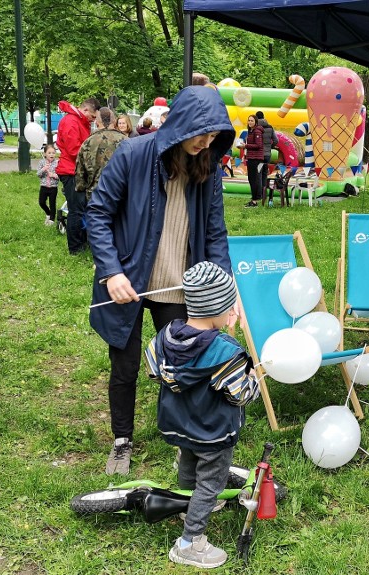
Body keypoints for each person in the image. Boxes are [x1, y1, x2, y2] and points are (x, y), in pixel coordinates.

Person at [86, 85, 237, 476]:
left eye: (212, 137)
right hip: (129, 282)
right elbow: (98, 214)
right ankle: (122, 439)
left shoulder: (209, 166)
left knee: (181, 363)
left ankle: (183, 436)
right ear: (180, 124)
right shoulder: (134, 154)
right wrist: (112, 272)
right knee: (126, 363)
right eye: (199, 134)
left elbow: (216, 234)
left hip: (177, 284)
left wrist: (224, 292)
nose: (204, 143)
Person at [145, 261, 260, 568]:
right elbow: (240, 394)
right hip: (213, 432)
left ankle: (186, 504)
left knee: (188, 461)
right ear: (218, 308)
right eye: (229, 306)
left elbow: (153, 369)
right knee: (211, 483)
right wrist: (256, 380)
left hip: (179, 425)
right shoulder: (225, 351)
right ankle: (189, 543)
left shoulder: (167, 334)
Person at [56, 97, 99, 254]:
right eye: (93, 116)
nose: (93, 120)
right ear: (86, 110)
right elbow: (75, 150)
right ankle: (75, 248)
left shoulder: (78, 121)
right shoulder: (71, 122)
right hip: (70, 171)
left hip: (76, 170)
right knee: (76, 210)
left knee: (81, 207)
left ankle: (82, 242)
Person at [75, 107, 126, 203]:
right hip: (121, 195)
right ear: (114, 121)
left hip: (95, 196)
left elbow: (80, 173)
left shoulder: (89, 142)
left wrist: (81, 188)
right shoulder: (126, 141)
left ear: (97, 122)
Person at [241, 115, 264, 208]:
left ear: (256, 122)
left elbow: (258, 145)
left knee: (254, 179)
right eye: (249, 120)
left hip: (256, 159)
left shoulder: (257, 131)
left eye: (252, 121)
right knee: (251, 179)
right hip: (251, 157)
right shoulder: (251, 131)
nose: (250, 122)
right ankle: (253, 199)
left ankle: (255, 201)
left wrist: (245, 146)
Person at [37, 144, 59, 226]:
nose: (51, 154)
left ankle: (52, 220)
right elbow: (38, 174)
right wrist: (43, 169)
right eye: (49, 153)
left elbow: (59, 175)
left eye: (53, 153)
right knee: (41, 202)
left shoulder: (57, 163)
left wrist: (53, 175)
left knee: (52, 203)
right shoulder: (42, 162)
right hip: (44, 186)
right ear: (45, 154)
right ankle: (48, 213)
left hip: (53, 187)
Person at [255, 110, 277, 191]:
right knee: (264, 172)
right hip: (267, 154)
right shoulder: (270, 127)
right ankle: (264, 191)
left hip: (258, 154)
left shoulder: (255, 128)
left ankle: (258, 192)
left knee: (258, 172)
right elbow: (276, 140)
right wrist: (270, 146)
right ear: (263, 117)